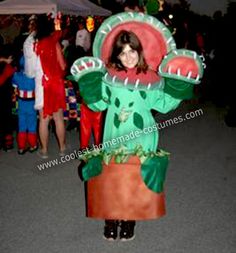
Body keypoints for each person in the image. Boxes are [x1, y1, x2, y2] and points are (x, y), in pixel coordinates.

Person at [71, 12, 204, 241]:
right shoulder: (109, 78)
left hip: (142, 138)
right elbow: (96, 103)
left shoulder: (150, 80)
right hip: (115, 136)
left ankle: (129, 220)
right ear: (117, 55)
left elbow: (164, 105)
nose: (128, 57)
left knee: (133, 180)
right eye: (123, 53)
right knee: (112, 179)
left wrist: (178, 86)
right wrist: (89, 83)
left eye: (132, 51)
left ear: (139, 51)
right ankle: (112, 220)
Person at [34, 15, 66, 158]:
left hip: (43, 84)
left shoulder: (36, 45)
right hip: (56, 83)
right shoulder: (55, 43)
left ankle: (44, 150)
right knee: (58, 118)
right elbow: (63, 65)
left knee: (44, 119)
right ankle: (62, 148)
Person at [12, 56, 38, 154]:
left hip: (21, 103)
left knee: (21, 125)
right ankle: (32, 145)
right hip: (31, 104)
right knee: (32, 125)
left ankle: (21, 147)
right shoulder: (34, 77)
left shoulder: (16, 75)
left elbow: (15, 88)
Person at [0, 47, 15, 151]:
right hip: (6, 98)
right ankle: (8, 143)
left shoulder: (8, 68)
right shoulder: (10, 68)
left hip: (4, 96)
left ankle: (6, 141)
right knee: (7, 117)